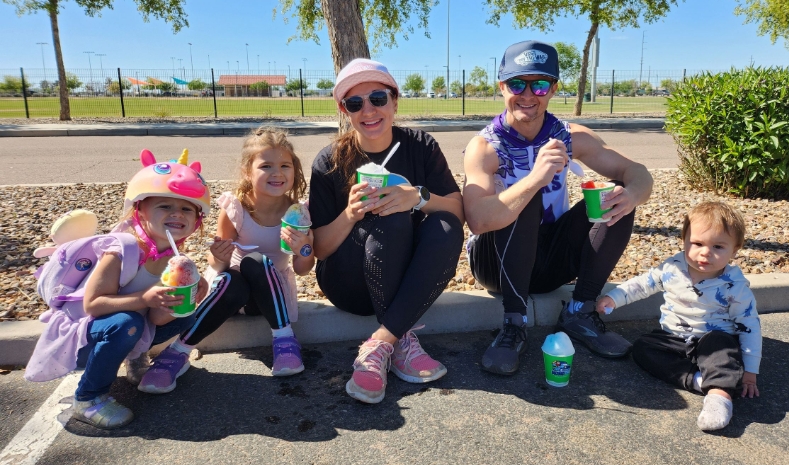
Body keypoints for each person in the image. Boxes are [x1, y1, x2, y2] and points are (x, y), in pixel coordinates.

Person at [463, 40, 654, 375]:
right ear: (501, 87)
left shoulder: (569, 136)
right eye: (517, 84)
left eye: (539, 84)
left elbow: (637, 172)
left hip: (550, 261)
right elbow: (478, 220)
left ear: (552, 89)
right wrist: (534, 178)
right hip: (496, 263)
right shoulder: (484, 147)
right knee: (524, 197)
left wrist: (632, 194)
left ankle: (580, 311)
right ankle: (513, 323)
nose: (527, 95)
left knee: (617, 195)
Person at [309, 58, 464, 404]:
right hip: (349, 282)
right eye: (355, 102)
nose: (369, 110)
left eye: (378, 98)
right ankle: (402, 336)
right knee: (389, 216)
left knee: (443, 224)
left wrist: (417, 197)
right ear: (344, 111)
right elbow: (318, 249)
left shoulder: (421, 147)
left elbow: (457, 211)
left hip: (404, 277)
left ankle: (383, 342)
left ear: (394, 101)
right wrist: (350, 214)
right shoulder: (329, 161)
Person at [26, 150, 211, 429]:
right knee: (127, 323)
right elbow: (94, 305)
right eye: (164, 206)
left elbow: (158, 318)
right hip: (82, 333)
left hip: (124, 326)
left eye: (187, 208)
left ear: (196, 220)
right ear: (140, 211)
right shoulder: (122, 248)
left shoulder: (172, 259)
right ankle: (88, 398)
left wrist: (186, 295)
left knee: (185, 315)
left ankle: (135, 358)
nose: (176, 213)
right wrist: (145, 297)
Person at [137, 126, 315, 394]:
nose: (277, 173)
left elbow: (303, 270)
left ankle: (285, 342)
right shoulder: (236, 208)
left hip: (270, 298)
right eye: (266, 166)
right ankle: (178, 352)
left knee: (257, 262)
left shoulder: (298, 212)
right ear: (247, 171)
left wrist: (303, 248)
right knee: (239, 272)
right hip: (227, 296)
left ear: (295, 170)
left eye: (285, 165)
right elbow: (216, 263)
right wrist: (218, 258)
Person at [597, 202, 761, 431]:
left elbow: (749, 326)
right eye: (697, 243)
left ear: (735, 250)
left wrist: (751, 373)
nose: (705, 252)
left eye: (718, 247)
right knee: (643, 348)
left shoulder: (734, 286)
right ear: (684, 240)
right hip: (674, 339)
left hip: (712, 341)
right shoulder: (673, 267)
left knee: (722, 348)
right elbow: (643, 284)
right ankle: (698, 381)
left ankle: (719, 396)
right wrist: (614, 298)